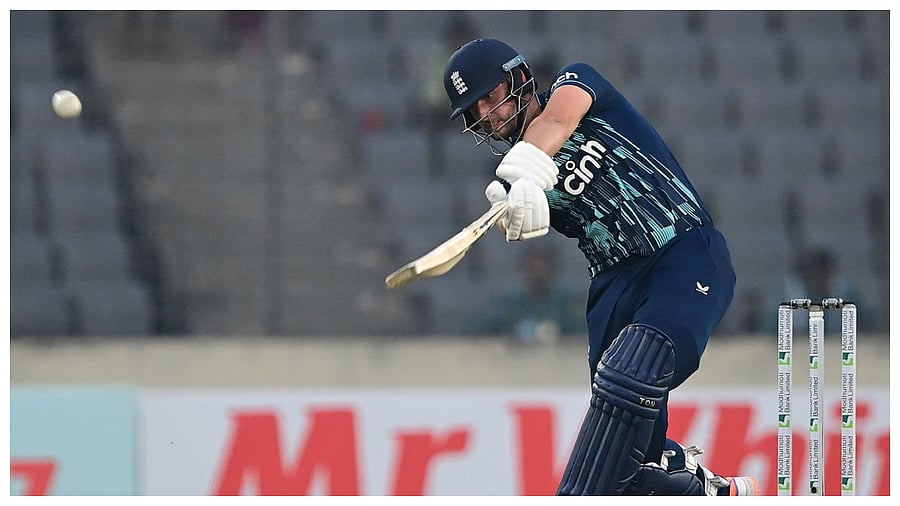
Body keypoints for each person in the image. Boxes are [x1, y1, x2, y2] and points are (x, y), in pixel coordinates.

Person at [442, 38, 758, 495]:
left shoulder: (576, 82)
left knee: (630, 373)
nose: (488, 113)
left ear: (518, 78)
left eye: (491, 96)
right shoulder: (516, 184)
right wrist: (516, 207)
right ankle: (704, 488)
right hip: (613, 287)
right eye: (475, 110)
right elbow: (534, 206)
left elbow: (557, 120)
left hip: (681, 251)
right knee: (625, 469)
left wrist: (523, 173)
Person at [469, 243, 583, 342]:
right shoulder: (511, 304)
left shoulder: (565, 304)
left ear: (552, 269)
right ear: (524, 269)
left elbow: (579, 334)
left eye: (543, 267)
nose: (538, 272)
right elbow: (483, 330)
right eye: (533, 267)